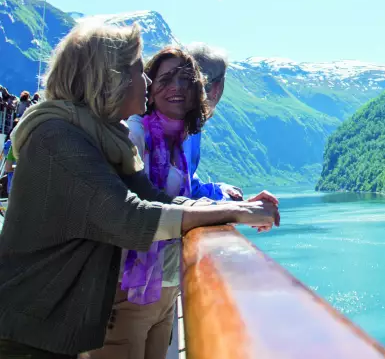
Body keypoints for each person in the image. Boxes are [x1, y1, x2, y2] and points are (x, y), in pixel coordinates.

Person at [0, 23, 279, 358]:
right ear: (108, 77)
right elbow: (129, 216)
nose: (146, 82)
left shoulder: (102, 137)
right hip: (31, 330)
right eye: (137, 70)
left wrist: (235, 207)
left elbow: (153, 198)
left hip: (59, 320)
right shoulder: (60, 139)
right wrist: (235, 212)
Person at [92, 47, 277, 359]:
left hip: (164, 286)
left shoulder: (178, 137)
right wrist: (235, 211)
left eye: (186, 80)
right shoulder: (135, 134)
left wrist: (229, 199)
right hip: (127, 288)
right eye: (165, 79)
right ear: (149, 88)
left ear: (198, 90)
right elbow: (143, 205)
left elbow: (183, 192)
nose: (176, 87)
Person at [181, 42, 240, 200]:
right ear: (217, 87)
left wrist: (219, 189)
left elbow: (188, 182)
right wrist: (228, 200)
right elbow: (184, 189)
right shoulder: (184, 122)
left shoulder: (184, 115)